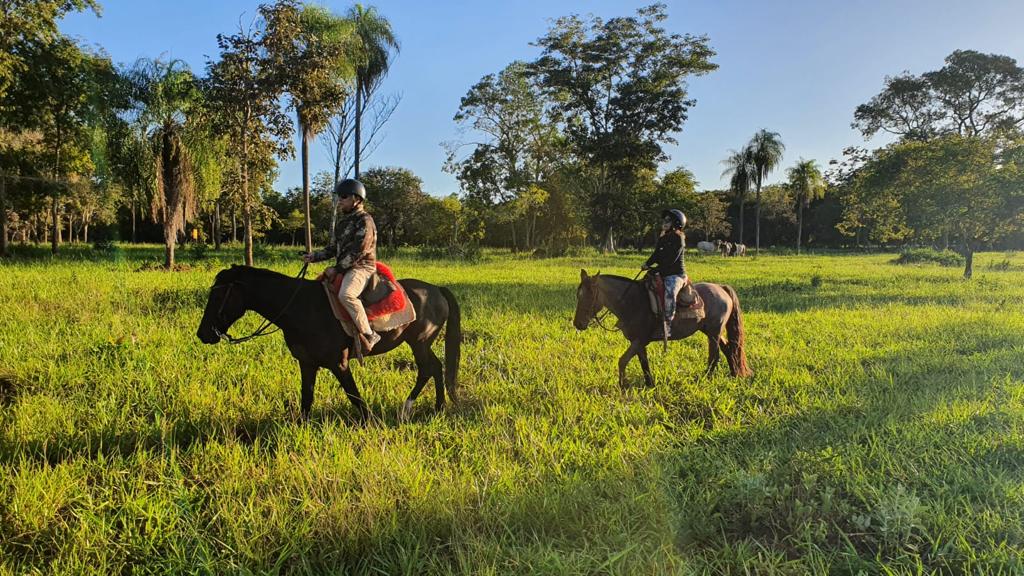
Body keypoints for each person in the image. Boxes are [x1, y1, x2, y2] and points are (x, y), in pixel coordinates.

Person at [303, 179, 380, 352]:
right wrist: (314, 257)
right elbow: (332, 249)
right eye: (339, 197)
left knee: (346, 295)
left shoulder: (365, 221)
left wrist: (337, 269)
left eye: (344, 197)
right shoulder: (343, 223)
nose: (340, 201)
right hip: (346, 267)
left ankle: (369, 334)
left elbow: (358, 251)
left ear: (357, 199)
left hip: (361, 267)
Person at [641, 209, 687, 338]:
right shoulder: (663, 237)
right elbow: (657, 254)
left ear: (676, 224)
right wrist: (647, 264)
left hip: (675, 274)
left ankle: (667, 326)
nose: (664, 222)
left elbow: (670, 261)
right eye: (664, 220)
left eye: (668, 220)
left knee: (670, 294)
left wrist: (656, 269)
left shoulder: (679, 238)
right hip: (663, 271)